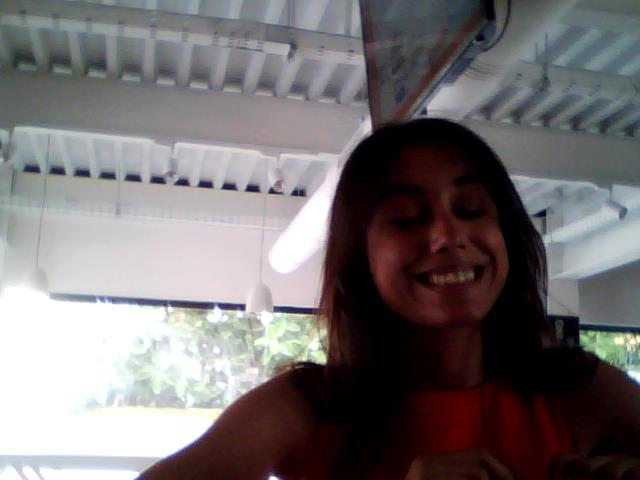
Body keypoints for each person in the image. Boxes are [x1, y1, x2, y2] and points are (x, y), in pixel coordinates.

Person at [138, 119, 640, 480]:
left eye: (471, 209)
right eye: (406, 218)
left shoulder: (579, 389)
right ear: (361, 257)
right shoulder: (304, 407)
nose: (449, 235)